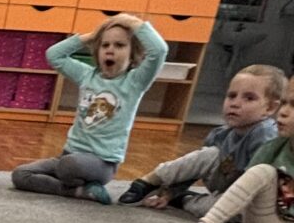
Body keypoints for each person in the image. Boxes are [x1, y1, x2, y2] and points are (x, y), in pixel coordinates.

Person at [11, 14, 167, 203]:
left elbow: (159, 51)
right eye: (105, 45)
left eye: (119, 45)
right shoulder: (87, 75)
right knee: (21, 175)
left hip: (102, 164)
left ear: (133, 54)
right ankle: (78, 191)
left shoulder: (135, 82)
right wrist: (92, 36)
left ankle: (77, 180)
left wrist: (131, 23)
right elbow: (54, 55)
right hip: (68, 156)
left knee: (68, 166)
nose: (110, 50)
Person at [118, 64, 284, 213]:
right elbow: (193, 170)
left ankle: (186, 200)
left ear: (270, 108)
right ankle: (149, 181)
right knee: (209, 154)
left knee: (219, 208)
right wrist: (170, 192)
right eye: (232, 96)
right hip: (227, 184)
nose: (235, 103)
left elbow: (259, 185)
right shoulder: (221, 134)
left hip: (253, 199)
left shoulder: (265, 134)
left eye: (249, 98)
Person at [161, 90, 294, 223]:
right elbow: (247, 189)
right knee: (262, 171)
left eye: (293, 105)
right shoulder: (273, 147)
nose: (283, 112)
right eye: (284, 103)